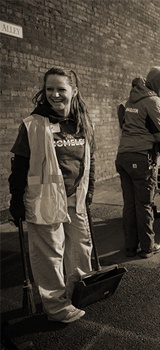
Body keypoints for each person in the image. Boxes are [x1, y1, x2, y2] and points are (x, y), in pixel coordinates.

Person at [8, 67, 96, 323]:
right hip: (44, 200)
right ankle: (56, 306)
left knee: (80, 249)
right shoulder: (33, 124)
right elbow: (20, 166)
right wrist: (16, 200)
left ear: (74, 92)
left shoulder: (82, 122)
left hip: (75, 199)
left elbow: (90, 161)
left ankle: (78, 293)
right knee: (50, 255)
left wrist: (89, 190)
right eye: (50, 89)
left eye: (61, 89)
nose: (55, 94)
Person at [116, 66, 160, 258]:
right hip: (141, 158)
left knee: (130, 204)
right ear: (154, 82)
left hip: (123, 157)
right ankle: (148, 247)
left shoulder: (133, 97)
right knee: (144, 204)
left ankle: (130, 247)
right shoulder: (153, 101)